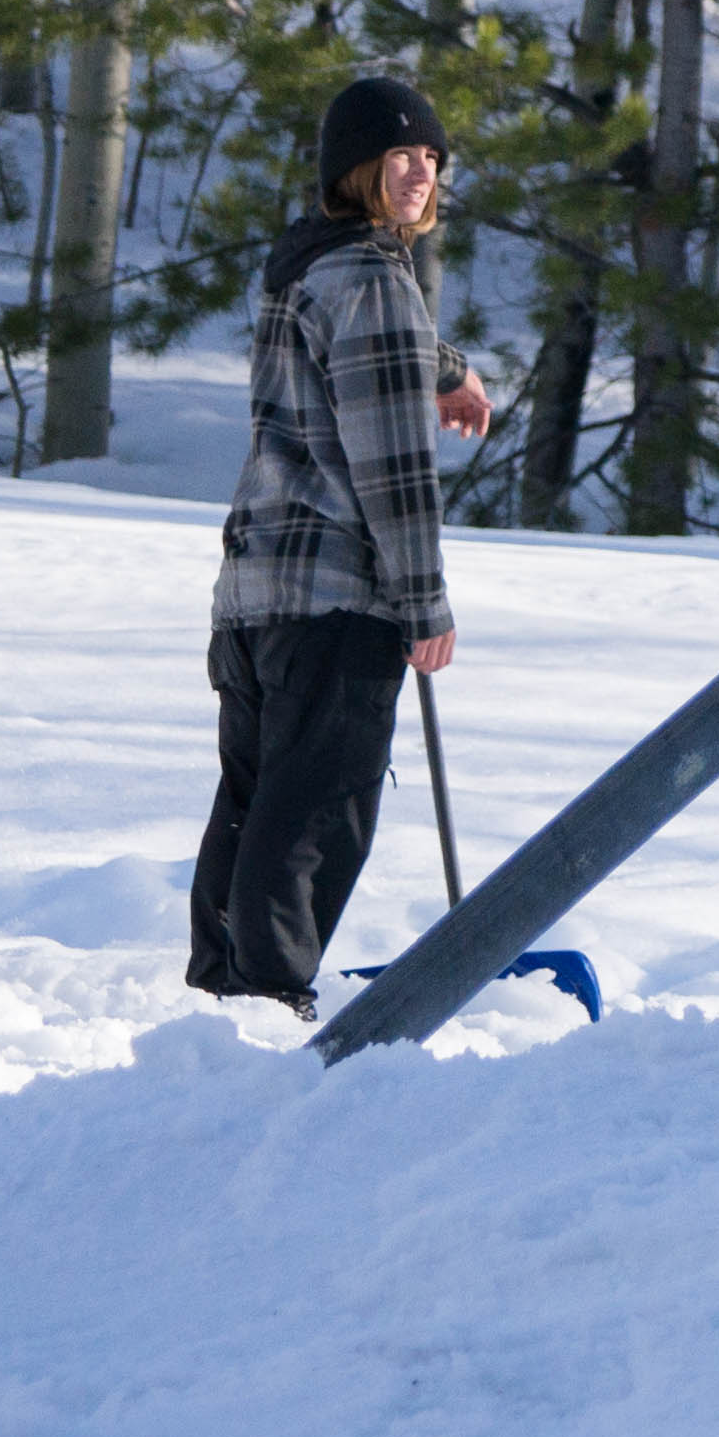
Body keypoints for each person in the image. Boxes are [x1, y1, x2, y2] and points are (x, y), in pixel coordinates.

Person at [191, 74, 500, 1016]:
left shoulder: (309, 270)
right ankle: (267, 998)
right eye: (399, 155)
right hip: (335, 592)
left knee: (255, 799)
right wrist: (424, 602)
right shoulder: (371, 280)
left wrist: (443, 366)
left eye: (432, 157)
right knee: (319, 808)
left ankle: (221, 999)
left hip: (254, 593)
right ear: (356, 170)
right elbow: (394, 469)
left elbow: (362, 354)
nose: (419, 172)